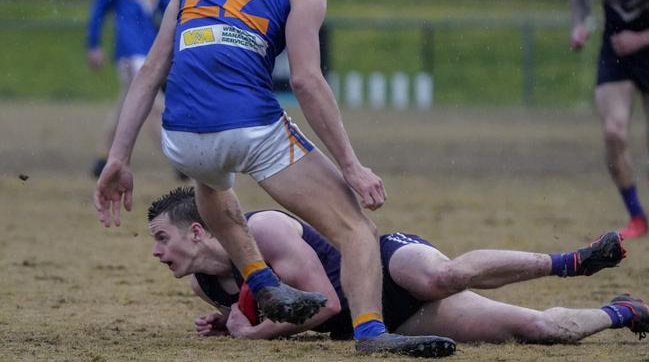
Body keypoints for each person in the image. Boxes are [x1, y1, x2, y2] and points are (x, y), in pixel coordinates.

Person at [93, 0, 454, 356]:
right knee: (356, 231)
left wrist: (119, 157)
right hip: (250, 127)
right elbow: (306, 81)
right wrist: (352, 166)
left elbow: (150, 73)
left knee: (214, 185)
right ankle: (371, 334)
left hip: (179, 136)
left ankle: (262, 283)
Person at [147, 186, 648, 345]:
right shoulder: (205, 285)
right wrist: (232, 316)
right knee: (538, 329)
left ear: (198, 230)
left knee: (442, 275)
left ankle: (570, 261)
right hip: (391, 321)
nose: (156, 252)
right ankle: (625, 312)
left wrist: (246, 334)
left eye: (161, 238)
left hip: (384, 266)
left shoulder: (269, 231)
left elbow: (325, 304)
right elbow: (274, 305)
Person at [570, 0, 649, 238]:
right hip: (615, 53)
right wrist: (579, 24)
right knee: (614, 132)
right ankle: (636, 218)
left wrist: (641, 38)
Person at [87, 0, 173, 178]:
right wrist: (94, 44)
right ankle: (179, 161)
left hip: (149, 50)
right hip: (128, 51)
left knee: (127, 104)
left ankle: (103, 158)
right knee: (153, 105)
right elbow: (100, 7)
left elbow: (170, 10)